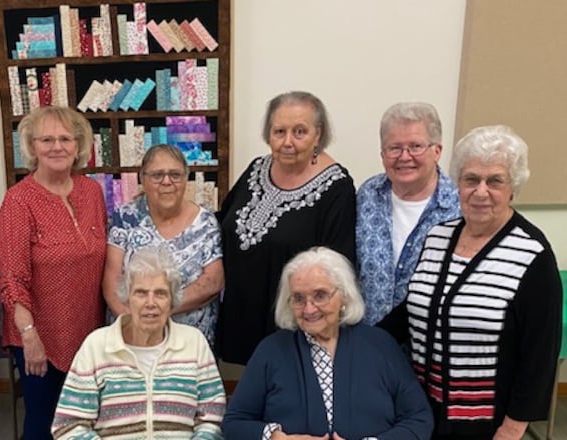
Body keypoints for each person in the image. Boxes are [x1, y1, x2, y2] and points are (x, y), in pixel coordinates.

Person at [406, 125, 562, 439]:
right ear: (457, 184)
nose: (481, 191)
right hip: (422, 411)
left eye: (495, 181)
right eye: (471, 179)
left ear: (512, 187)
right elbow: (415, 307)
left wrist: (512, 428)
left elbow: (540, 355)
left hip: (485, 424)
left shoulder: (533, 253)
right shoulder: (437, 236)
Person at [223, 247, 433, 440]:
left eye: (320, 295)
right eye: (298, 298)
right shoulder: (271, 351)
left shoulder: (381, 345)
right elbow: (234, 423)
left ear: (344, 295)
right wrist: (276, 437)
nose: (309, 309)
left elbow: (419, 419)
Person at [217, 91, 357, 365]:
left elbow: (337, 266)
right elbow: (224, 220)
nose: (287, 142)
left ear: (318, 134)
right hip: (241, 318)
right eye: (279, 131)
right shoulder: (257, 168)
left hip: (294, 330)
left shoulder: (337, 188)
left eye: (300, 132)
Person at [0, 105, 107, 440]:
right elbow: (12, 279)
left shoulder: (92, 192)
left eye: (65, 139)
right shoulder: (18, 201)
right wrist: (30, 336)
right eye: (46, 139)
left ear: (78, 146)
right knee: (44, 422)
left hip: (88, 332)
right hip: (37, 335)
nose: (56, 147)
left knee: (84, 420)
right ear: (31, 147)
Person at [52, 247, 226, 439]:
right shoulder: (97, 346)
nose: (150, 303)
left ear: (172, 301)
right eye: (141, 293)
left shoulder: (194, 344)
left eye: (160, 293)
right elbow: (68, 426)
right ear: (127, 299)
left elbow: (212, 419)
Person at [102, 144, 223, 346]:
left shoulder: (206, 222)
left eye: (175, 174)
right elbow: (112, 279)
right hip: (133, 335)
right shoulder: (125, 217)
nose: (167, 182)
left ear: (186, 178)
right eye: (157, 175)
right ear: (143, 179)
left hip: (190, 342)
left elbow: (213, 281)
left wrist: (157, 311)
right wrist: (132, 322)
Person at [356, 102, 460, 329]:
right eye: (394, 148)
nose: (404, 157)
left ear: (437, 151)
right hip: (368, 344)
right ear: (382, 154)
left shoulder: (459, 207)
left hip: (428, 346)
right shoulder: (367, 196)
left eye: (415, 146)